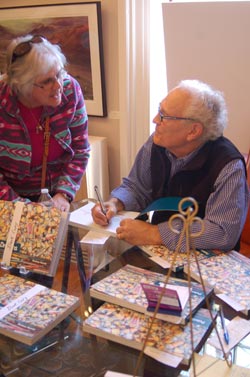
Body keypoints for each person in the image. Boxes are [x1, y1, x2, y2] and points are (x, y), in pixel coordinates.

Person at [92, 79, 249, 252]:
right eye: (159, 111)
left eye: (164, 116)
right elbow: (137, 187)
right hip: (161, 253)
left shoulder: (228, 165)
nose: (155, 120)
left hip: (205, 263)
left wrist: (154, 233)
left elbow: (222, 232)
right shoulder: (156, 143)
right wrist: (115, 203)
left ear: (193, 131)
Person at [0, 34, 90, 212]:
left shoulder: (70, 91)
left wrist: (63, 194)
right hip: (7, 200)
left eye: (59, 74)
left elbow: (80, 149)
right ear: (22, 84)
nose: (58, 85)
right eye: (47, 81)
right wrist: (20, 208)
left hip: (55, 196)